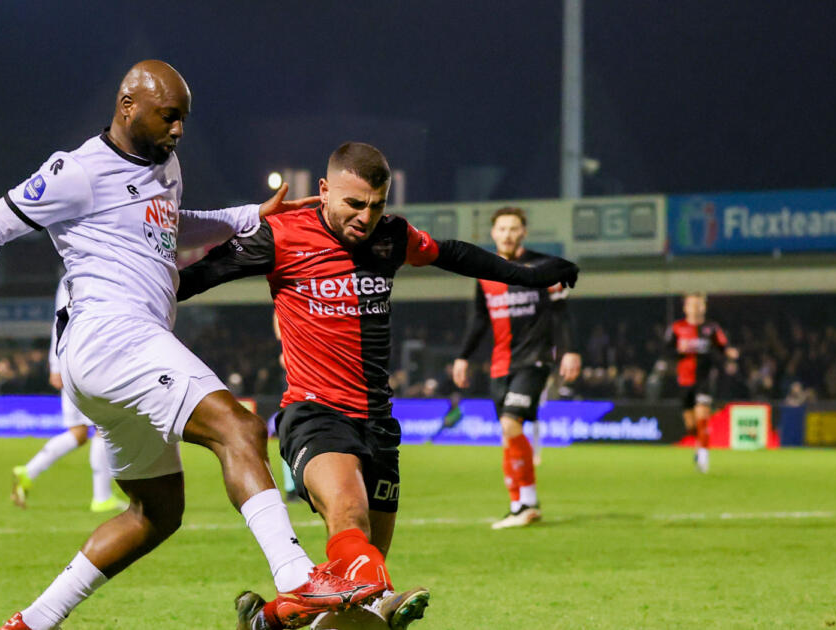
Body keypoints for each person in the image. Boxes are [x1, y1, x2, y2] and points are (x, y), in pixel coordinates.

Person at [0, 61, 383, 630]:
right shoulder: (77, 171)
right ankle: (298, 578)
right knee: (239, 428)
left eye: (183, 118)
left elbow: (168, 228)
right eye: (168, 116)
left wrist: (246, 216)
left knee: (156, 511)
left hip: (114, 357)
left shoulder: (165, 165)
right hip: (112, 335)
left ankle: (33, 621)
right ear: (127, 106)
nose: (179, 129)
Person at [177, 142, 579, 629]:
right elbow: (195, 277)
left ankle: (272, 618)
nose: (366, 217)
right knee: (350, 518)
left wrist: (528, 276)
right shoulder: (281, 235)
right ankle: (382, 598)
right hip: (315, 413)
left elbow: (452, 253)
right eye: (354, 203)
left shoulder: (392, 236)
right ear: (324, 190)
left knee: (355, 599)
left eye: (377, 205)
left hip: (379, 424)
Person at [450, 206, 581, 529]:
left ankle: (527, 504)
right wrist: (463, 356)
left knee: (511, 425)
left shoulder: (544, 267)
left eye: (513, 229)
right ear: (493, 233)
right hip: (500, 364)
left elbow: (562, 313)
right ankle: (518, 504)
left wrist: (569, 351)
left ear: (524, 232)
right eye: (502, 229)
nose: (507, 234)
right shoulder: (485, 272)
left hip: (534, 359)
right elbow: (479, 319)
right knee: (508, 435)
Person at [10, 276, 127, 513]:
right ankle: (102, 497)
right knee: (105, 427)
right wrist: (55, 365)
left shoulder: (73, 275)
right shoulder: (82, 276)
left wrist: (57, 365)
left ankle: (29, 471)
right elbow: (62, 319)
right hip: (88, 361)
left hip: (72, 361)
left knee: (79, 433)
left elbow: (60, 319)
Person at [656, 293, 738, 473]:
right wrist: (679, 351)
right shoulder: (677, 328)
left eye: (699, 304)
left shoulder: (711, 328)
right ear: (685, 308)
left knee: (702, 416)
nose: (696, 308)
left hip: (704, 379)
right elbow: (666, 351)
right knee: (691, 425)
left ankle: (703, 456)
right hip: (684, 381)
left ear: (704, 307)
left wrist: (729, 354)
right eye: (692, 304)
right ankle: (699, 446)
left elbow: (723, 346)